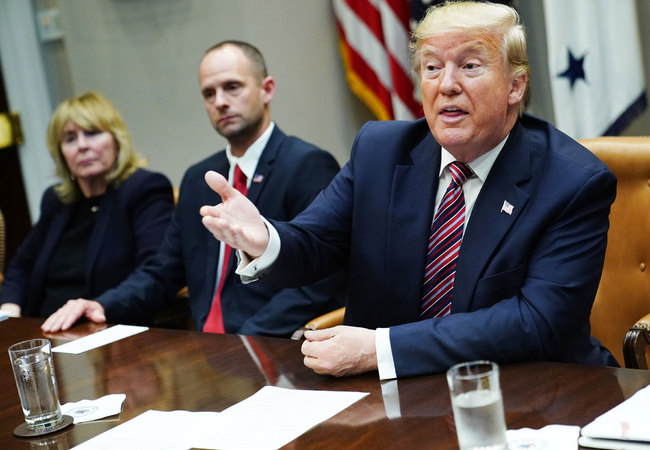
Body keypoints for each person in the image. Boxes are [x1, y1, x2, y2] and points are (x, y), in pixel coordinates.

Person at [199, 1, 619, 379]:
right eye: (432, 68)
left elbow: (537, 322)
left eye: (470, 65)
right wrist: (266, 240)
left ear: (515, 86)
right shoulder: (381, 152)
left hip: (537, 390)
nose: (446, 84)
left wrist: (381, 349)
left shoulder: (573, 182)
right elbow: (314, 242)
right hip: (397, 398)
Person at [41, 40, 344, 336]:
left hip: (271, 344)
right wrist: (103, 305)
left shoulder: (307, 165)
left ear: (267, 90)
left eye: (232, 87)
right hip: (205, 348)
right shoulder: (199, 178)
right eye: (209, 93)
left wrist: (249, 340)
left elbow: (318, 283)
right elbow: (164, 270)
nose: (220, 101)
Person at [0, 91, 173, 320]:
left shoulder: (144, 189)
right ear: (61, 153)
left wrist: (101, 306)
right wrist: (8, 309)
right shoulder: (56, 201)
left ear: (116, 141)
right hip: (45, 328)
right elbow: (22, 265)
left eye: (92, 133)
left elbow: (156, 271)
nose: (82, 146)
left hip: (107, 327)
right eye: (70, 139)